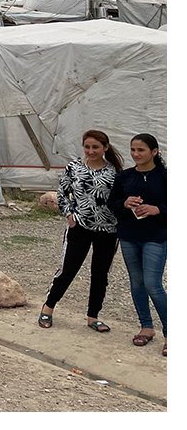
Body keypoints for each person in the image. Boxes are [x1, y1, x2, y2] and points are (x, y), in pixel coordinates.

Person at [38, 129, 124, 332]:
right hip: (80, 227)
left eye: (95, 147)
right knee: (68, 269)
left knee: (100, 274)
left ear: (105, 147)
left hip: (108, 229)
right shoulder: (74, 167)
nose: (91, 151)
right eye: (87, 146)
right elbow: (62, 193)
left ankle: (93, 316)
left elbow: (120, 199)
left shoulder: (115, 172)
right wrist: (69, 215)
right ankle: (48, 308)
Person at [108, 133, 167, 357]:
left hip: (156, 236)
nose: (135, 154)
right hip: (129, 235)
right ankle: (146, 327)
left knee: (153, 284)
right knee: (137, 283)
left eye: (141, 150)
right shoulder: (125, 177)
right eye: (133, 149)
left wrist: (158, 209)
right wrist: (125, 202)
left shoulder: (164, 176)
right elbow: (112, 203)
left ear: (154, 152)